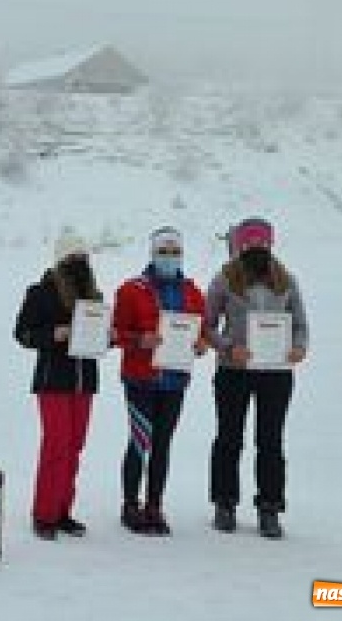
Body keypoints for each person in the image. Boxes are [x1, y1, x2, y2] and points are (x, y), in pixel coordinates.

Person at [204, 217, 309, 538]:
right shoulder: (224, 280)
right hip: (234, 372)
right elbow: (206, 326)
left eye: (262, 243)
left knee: (271, 442)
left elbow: (301, 325)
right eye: (250, 244)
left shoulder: (286, 280)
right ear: (239, 246)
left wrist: (298, 348)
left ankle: (270, 508)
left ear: (271, 245)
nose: (256, 249)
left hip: (275, 375)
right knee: (229, 438)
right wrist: (227, 347)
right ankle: (225, 504)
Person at [111, 226, 208, 535]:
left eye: (174, 252)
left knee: (163, 444)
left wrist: (200, 345)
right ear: (152, 254)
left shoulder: (192, 291)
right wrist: (141, 339)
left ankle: (154, 505)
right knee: (140, 442)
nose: (169, 257)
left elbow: (201, 331)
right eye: (163, 252)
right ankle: (130, 505)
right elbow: (114, 334)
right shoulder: (131, 290)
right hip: (141, 379)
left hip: (175, 381)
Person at [13, 229, 102, 540]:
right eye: (73, 257)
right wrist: (53, 334)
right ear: (61, 260)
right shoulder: (41, 292)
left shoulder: (94, 295)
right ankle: (44, 513)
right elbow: (22, 333)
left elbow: (99, 335)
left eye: (84, 257)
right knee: (56, 445)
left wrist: (110, 338)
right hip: (54, 379)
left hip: (84, 381)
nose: (79, 262)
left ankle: (64, 510)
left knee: (75, 447)